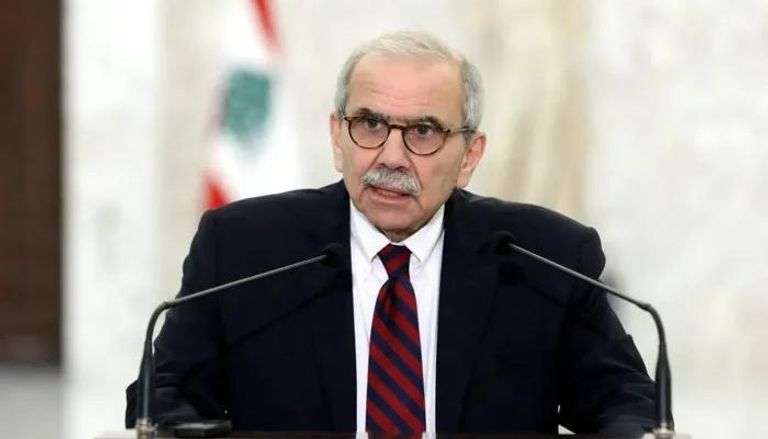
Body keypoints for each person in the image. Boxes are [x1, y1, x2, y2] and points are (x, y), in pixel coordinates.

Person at [126, 31, 655, 435]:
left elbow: (626, 400)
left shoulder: (543, 256)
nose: (392, 157)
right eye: (371, 125)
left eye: (423, 131)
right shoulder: (245, 248)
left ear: (469, 156)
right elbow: (161, 394)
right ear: (338, 137)